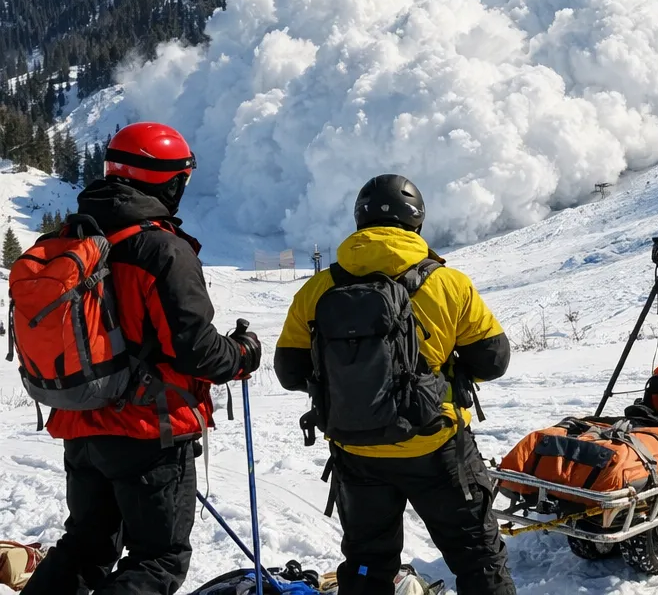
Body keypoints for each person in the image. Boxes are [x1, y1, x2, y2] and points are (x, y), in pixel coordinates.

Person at [23, 122, 261, 595]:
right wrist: (242, 355)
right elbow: (194, 349)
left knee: (85, 547)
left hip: (81, 424)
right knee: (159, 558)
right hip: (150, 429)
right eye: (182, 180)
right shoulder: (161, 248)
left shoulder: (69, 239)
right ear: (165, 181)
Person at [275, 174, 515, 595]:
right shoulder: (448, 283)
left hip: (355, 449)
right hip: (437, 447)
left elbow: (289, 372)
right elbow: (493, 360)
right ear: (416, 222)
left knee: (368, 565)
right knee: (478, 557)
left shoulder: (317, 289)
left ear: (359, 222)